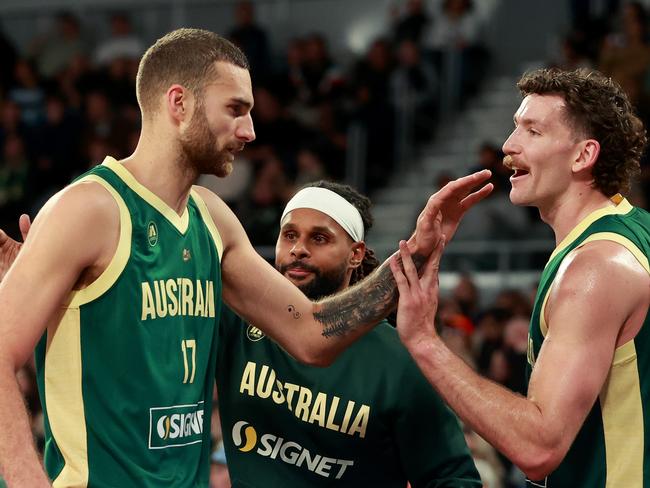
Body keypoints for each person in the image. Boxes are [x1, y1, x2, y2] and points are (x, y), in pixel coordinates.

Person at [0, 28, 492, 487]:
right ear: (179, 103)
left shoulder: (211, 217)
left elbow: (310, 332)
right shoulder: (88, 208)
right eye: (236, 108)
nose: (250, 129)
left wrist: (416, 251)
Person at [390, 67, 650, 487]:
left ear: (583, 156)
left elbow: (537, 447)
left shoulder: (596, 267)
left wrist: (423, 340)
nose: (509, 147)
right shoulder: (631, 231)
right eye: (515, 128)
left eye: (533, 131)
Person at [216, 180, 481, 486]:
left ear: (356, 254)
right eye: (289, 235)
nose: (298, 249)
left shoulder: (397, 360)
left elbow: (453, 478)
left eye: (319, 238)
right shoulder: (237, 322)